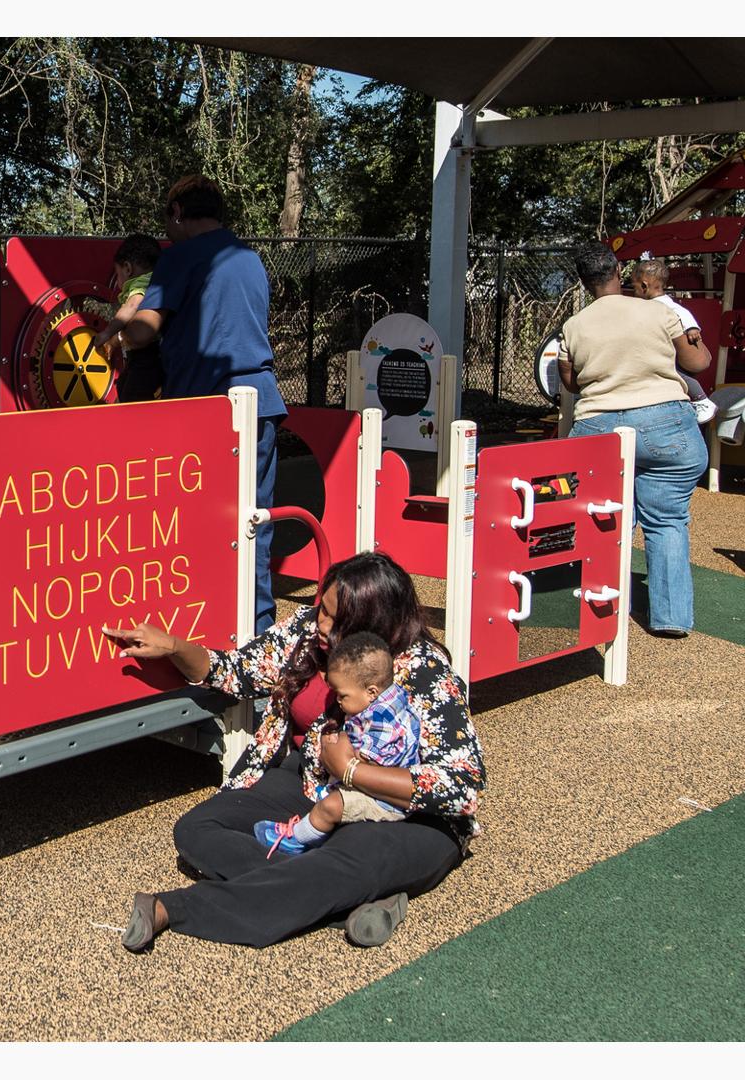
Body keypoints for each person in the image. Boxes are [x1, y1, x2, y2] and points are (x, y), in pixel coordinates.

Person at [102, 551, 484, 951]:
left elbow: (461, 786)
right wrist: (174, 646)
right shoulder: (307, 633)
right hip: (312, 783)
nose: (320, 621)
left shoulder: (423, 670)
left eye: (336, 619)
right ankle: (345, 896)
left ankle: (173, 909)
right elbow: (237, 671)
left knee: (341, 863)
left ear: (373, 626)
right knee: (196, 831)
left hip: (403, 815)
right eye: (322, 607)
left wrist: (352, 771)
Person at [116, 176, 286, 633]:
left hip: (204, 408)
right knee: (255, 521)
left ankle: (200, 626)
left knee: (189, 524)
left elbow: (145, 329)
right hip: (261, 404)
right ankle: (257, 628)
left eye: (165, 220)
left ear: (176, 213)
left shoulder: (179, 259)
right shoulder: (249, 259)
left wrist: (113, 332)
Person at [558, 245, 713, 638]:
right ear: (620, 271)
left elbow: (571, 382)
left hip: (600, 429)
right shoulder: (659, 311)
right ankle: (672, 618)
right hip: (665, 424)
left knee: (608, 518)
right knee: (667, 520)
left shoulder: (574, 325)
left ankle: (606, 609)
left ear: (582, 281)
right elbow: (698, 363)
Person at [253, 631, 419, 855]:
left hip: (386, 801)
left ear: (371, 692)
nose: (338, 701)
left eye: (342, 696)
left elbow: (373, 766)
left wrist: (341, 747)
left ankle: (295, 840)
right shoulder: (388, 700)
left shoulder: (383, 722)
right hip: (380, 790)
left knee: (331, 807)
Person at [631, 258, 717, 424]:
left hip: (674, 355)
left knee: (674, 372)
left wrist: (692, 328)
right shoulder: (658, 305)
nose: (634, 292)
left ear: (644, 286)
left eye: (634, 288)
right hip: (669, 352)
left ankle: (702, 400)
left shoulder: (663, 305)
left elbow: (683, 313)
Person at [95, 233, 165, 402]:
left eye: (117, 275)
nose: (118, 283)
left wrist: (107, 333)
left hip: (147, 355)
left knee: (133, 395)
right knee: (125, 385)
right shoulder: (158, 279)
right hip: (154, 354)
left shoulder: (140, 284)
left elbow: (132, 305)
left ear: (127, 268)